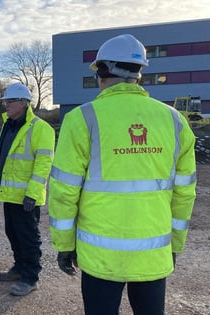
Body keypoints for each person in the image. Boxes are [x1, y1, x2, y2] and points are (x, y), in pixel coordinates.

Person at [49, 34, 197, 315]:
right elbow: (184, 193)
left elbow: (64, 191)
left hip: (99, 256)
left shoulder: (82, 119)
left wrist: (65, 245)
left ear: (103, 72)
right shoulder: (175, 120)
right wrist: (174, 245)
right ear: (139, 74)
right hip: (153, 253)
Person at [0, 82, 55, 296]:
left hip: (26, 196)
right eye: (6, 101)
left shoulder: (40, 128)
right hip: (10, 193)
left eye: (10, 101)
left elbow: (44, 163)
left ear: (24, 103)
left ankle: (30, 277)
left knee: (28, 237)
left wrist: (33, 193)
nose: (6, 105)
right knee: (13, 233)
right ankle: (19, 268)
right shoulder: (8, 125)